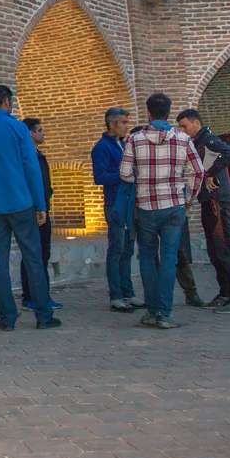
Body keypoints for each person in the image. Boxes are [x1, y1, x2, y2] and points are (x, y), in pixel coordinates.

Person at [0, 85, 61, 331]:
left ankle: (7, 317)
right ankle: (43, 315)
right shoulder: (17, 127)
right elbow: (31, 166)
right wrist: (40, 203)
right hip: (21, 203)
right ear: (6, 101)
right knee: (33, 259)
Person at [119, 92, 205, 330]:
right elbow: (198, 172)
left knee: (147, 257)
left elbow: (124, 174)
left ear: (148, 112)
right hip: (174, 206)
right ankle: (165, 313)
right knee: (169, 258)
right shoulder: (183, 138)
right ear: (168, 112)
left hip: (146, 207)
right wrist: (188, 198)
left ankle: (152, 310)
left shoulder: (134, 140)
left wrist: (143, 178)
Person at [176, 109, 230, 314]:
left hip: (219, 201)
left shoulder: (208, 138)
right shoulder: (197, 141)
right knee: (215, 251)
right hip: (208, 201)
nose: (183, 130)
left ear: (195, 122)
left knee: (224, 249)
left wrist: (210, 173)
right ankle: (225, 294)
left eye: (184, 125)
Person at [93, 107, 140, 313]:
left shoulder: (124, 144)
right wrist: (125, 175)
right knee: (116, 249)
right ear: (112, 124)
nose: (126, 126)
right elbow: (100, 177)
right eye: (123, 122)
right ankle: (116, 296)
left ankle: (128, 292)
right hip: (115, 204)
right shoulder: (101, 148)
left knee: (128, 249)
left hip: (129, 203)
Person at [20, 118, 62, 312]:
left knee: (43, 254)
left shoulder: (38, 155)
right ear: (30, 133)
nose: (42, 133)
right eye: (39, 130)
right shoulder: (26, 156)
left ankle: (42, 295)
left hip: (44, 209)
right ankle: (30, 296)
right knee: (32, 255)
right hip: (33, 211)